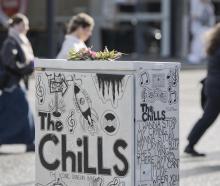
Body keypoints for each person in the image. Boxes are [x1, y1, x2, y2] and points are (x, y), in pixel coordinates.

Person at [0, 13, 35, 152]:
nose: (26, 27)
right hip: (12, 84)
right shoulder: (11, 42)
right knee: (21, 112)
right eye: (23, 24)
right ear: (15, 25)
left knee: (16, 113)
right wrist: (30, 66)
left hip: (16, 84)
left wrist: (31, 66)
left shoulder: (20, 40)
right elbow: (11, 65)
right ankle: (29, 142)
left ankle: (29, 142)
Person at [185, 23, 220, 156]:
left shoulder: (214, 46)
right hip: (217, 88)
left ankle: (190, 143)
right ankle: (190, 143)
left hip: (212, 87)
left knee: (207, 118)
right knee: (208, 118)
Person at [188, 0, 215, 64]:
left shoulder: (209, 6)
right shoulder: (195, 3)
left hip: (207, 26)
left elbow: (211, 15)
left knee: (205, 42)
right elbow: (194, 15)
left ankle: (202, 56)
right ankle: (195, 57)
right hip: (199, 26)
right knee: (197, 42)